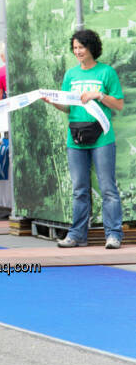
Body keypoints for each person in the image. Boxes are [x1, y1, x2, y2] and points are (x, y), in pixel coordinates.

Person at [44, 29, 124, 250]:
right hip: (76, 138)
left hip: (102, 138)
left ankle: (114, 234)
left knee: (108, 187)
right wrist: (53, 102)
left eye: (81, 47)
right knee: (79, 188)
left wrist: (98, 95)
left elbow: (118, 104)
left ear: (91, 48)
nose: (77, 51)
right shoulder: (71, 75)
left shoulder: (106, 73)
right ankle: (77, 235)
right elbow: (67, 107)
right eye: (75, 48)